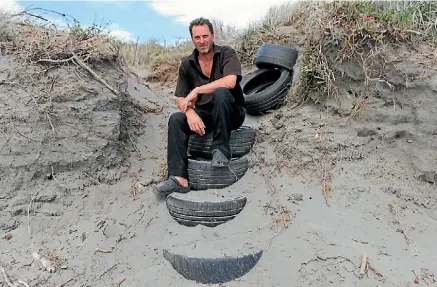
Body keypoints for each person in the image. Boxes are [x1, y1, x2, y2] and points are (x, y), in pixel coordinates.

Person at [153, 17, 246, 196]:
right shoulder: (187, 64)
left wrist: (197, 90)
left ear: (213, 35)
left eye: (205, 36)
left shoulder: (226, 53)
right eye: (197, 37)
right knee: (176, 119)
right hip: (206, 116)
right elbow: (181, 98)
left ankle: (220, 150)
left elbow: (231, 81)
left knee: (220, 92)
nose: (202, 41)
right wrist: (189, 112)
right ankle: (179, 179)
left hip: (231, 112)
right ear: (192, 39)